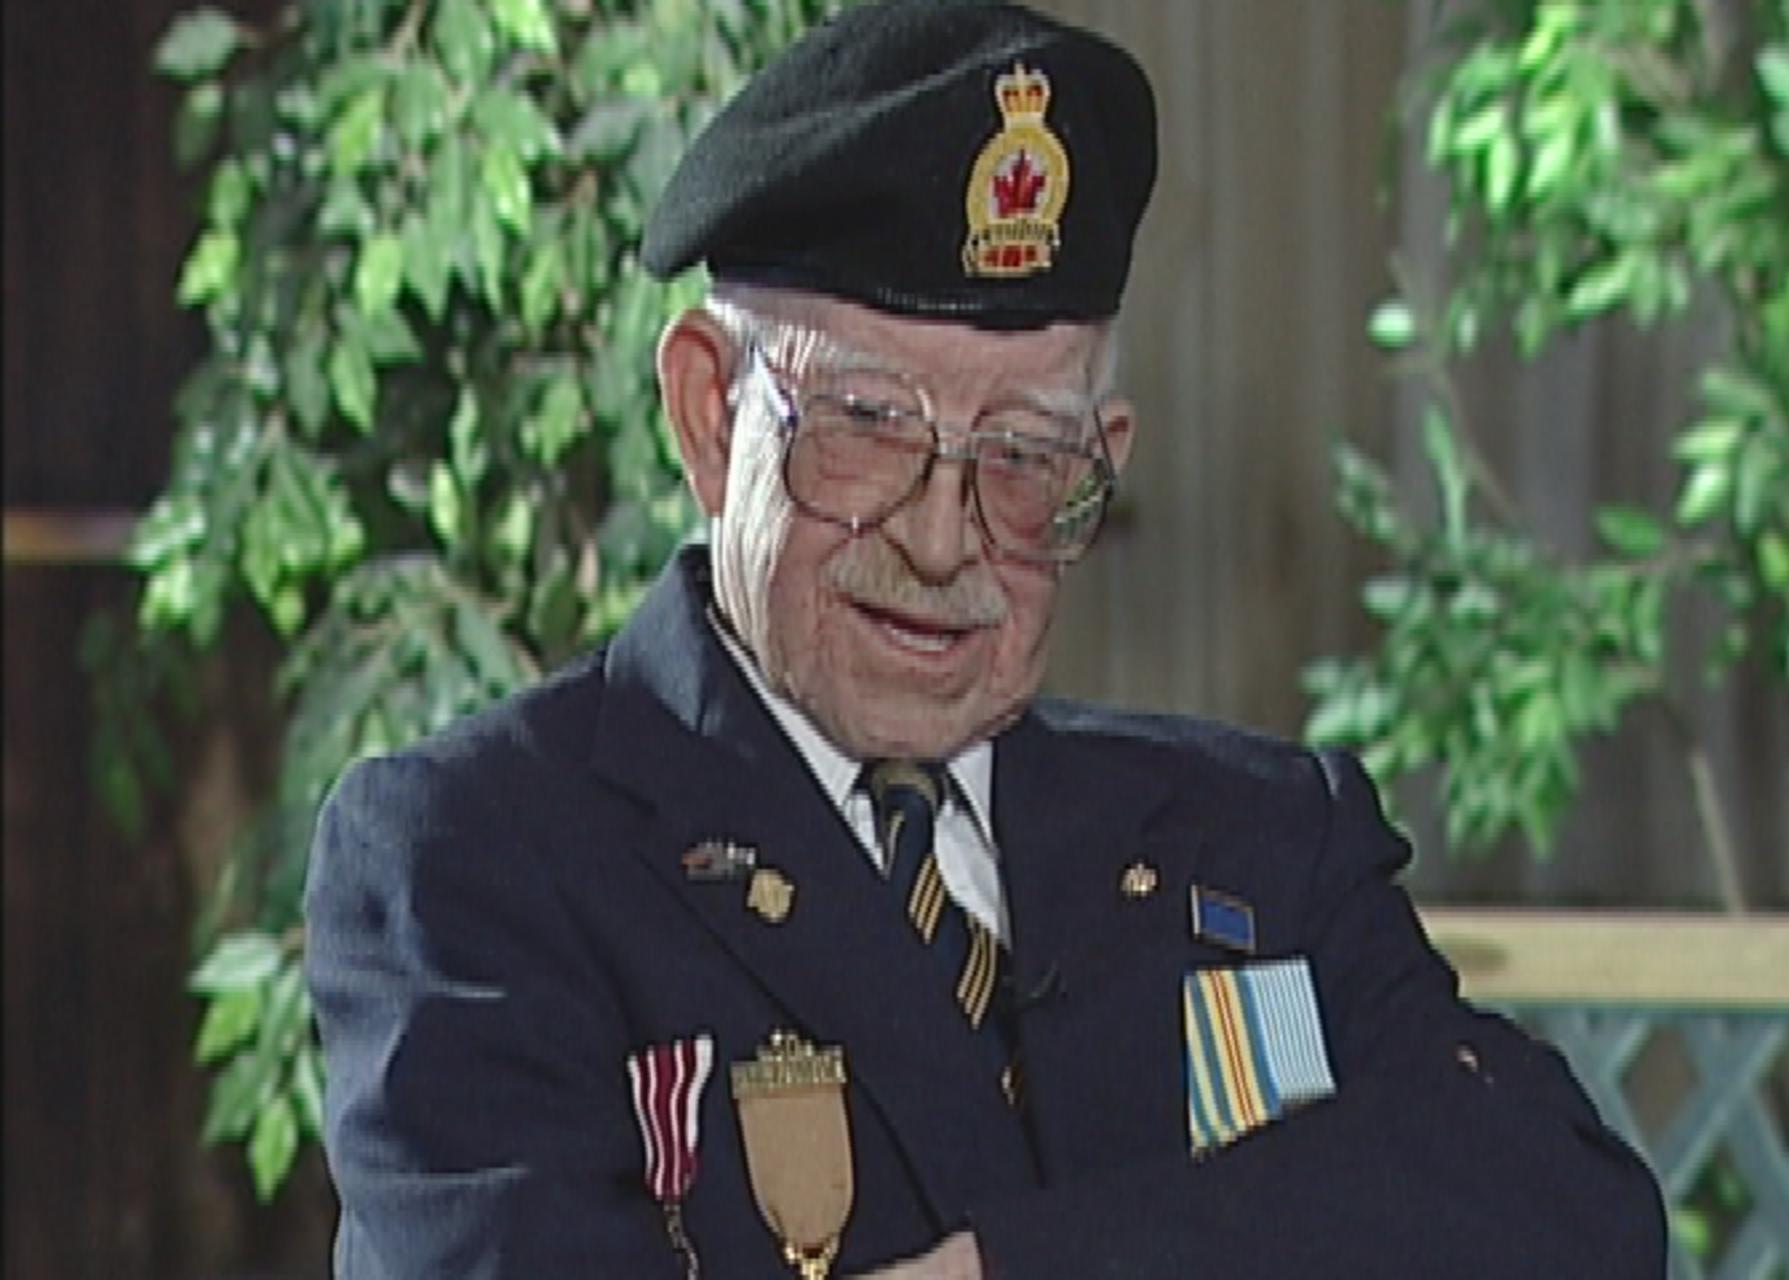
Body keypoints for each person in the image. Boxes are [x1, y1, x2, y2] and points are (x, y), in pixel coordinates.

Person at [305, 1, 1668, 1276]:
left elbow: (1568, 1213)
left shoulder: (1260, 840)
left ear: (1103, 460)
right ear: (710, 415)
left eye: (1024, 457)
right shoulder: (481, 856)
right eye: (868, 427)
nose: (943, 540)